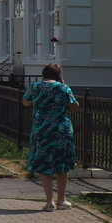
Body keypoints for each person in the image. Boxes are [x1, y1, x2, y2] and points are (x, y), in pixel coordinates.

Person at [23, 62, 79, 211]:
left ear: (44, 74)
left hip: (41, 131)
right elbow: (74, 106)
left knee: (43, 165)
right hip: (62, 131)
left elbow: (25, 102)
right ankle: (61, 199)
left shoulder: (35, 87)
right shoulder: (63, 88)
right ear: (59, 75)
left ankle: (49, 202)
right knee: (62, 164)